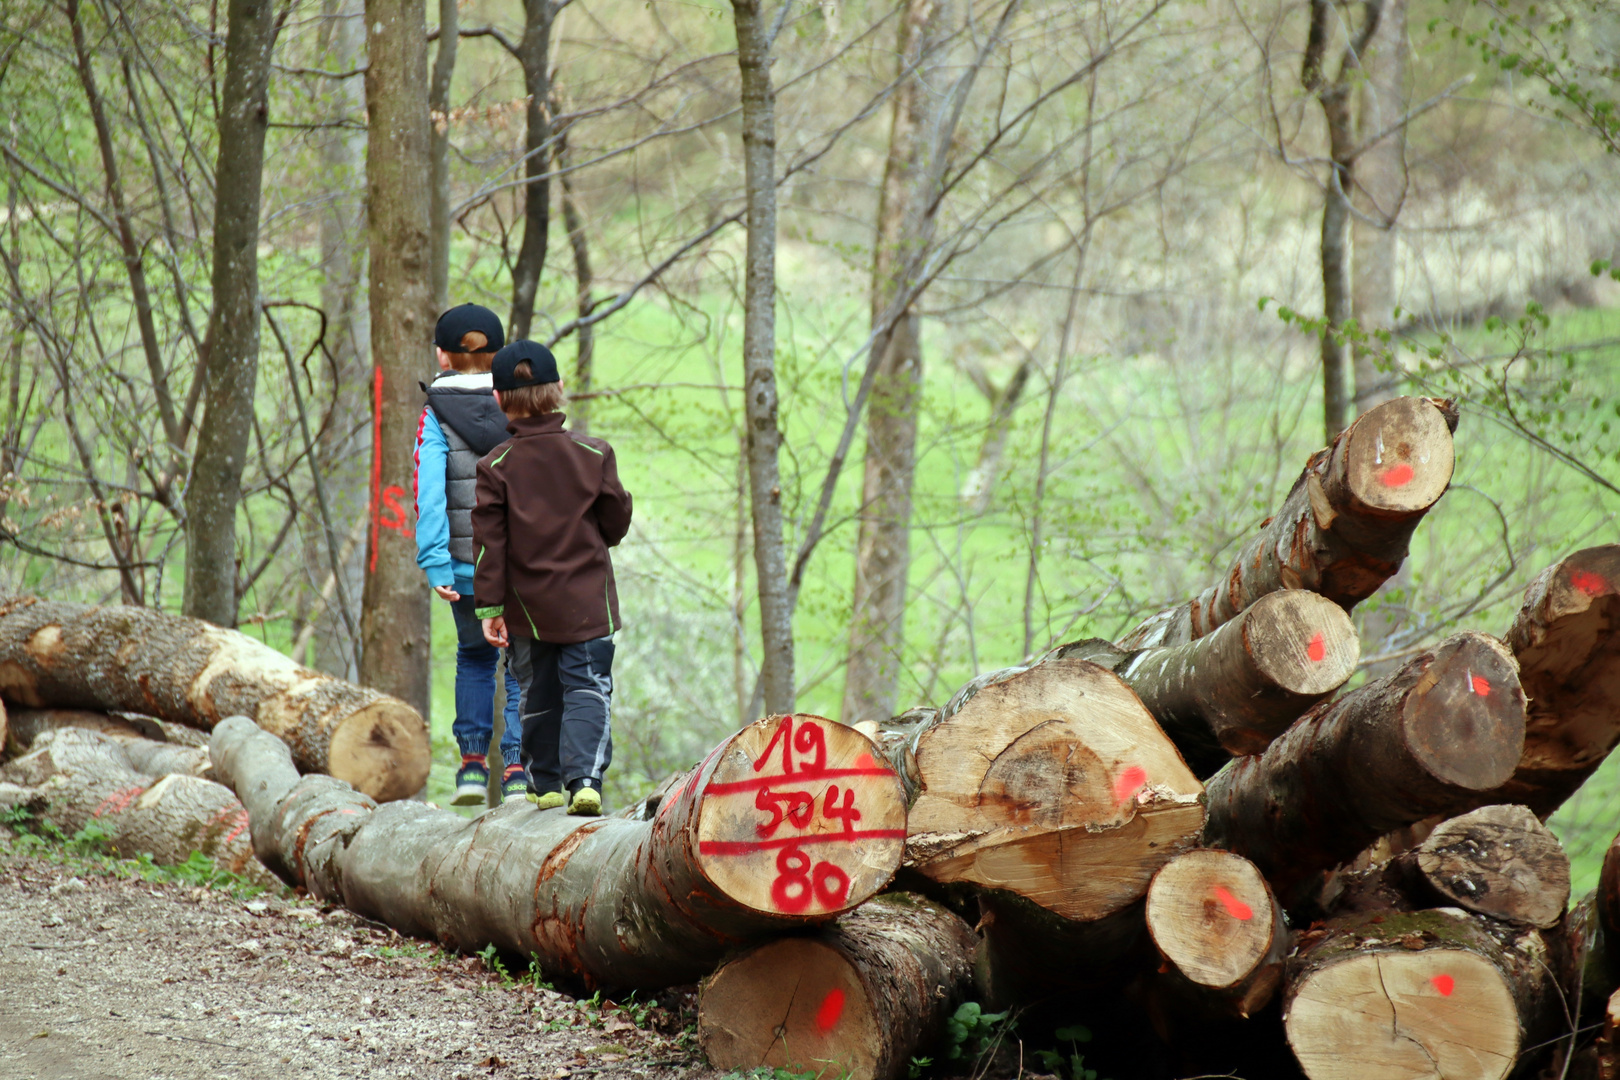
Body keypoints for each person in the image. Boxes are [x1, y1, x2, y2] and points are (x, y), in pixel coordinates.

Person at [473, 340, 632, 816]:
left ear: (499, 400)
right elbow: (616, 523)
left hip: (528, 610)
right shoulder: (593, 452)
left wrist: (489, 607)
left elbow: (488, 545)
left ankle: (543, 784)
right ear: (559, 389)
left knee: (537, 690)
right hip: (588, 605)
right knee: (587, 688)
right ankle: (585, 779)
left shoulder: (495, 466)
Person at [414, 304, 527, 805]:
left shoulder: (435, 413)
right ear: (501, 355)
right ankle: (520, 769)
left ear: (441, 353)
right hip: (520, 565)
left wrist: (436, 561)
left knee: (474, 657)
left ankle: (472, 767)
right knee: (521, 664)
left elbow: (430, 492)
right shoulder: (521, 410)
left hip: (462, 567)